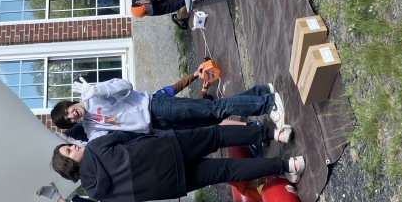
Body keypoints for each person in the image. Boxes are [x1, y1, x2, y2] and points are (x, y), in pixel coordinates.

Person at [50, 124, 305, 202]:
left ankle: (287, 165)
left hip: (173, 183)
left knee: (228, 171)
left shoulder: (95, 193)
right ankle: (273, 135)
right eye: (69, 150)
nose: (74, 146)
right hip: (168, 149)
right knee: (217, 136)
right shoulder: (94, 148)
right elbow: (124, 136)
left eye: (69, 145)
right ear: (69, 164)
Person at [50, 76, 287, 141]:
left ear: (70, 104)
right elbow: (98, 142)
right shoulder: (91, 128)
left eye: (69, 112)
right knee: (213, 115)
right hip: (158, 126)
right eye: (70, 121)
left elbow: (125, 87)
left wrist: (99, 89)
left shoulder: (94, 97)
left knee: (213, 109)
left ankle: (269, 103)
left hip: (156, 107)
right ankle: (259, 92)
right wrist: (72, 143)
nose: (73, 117)